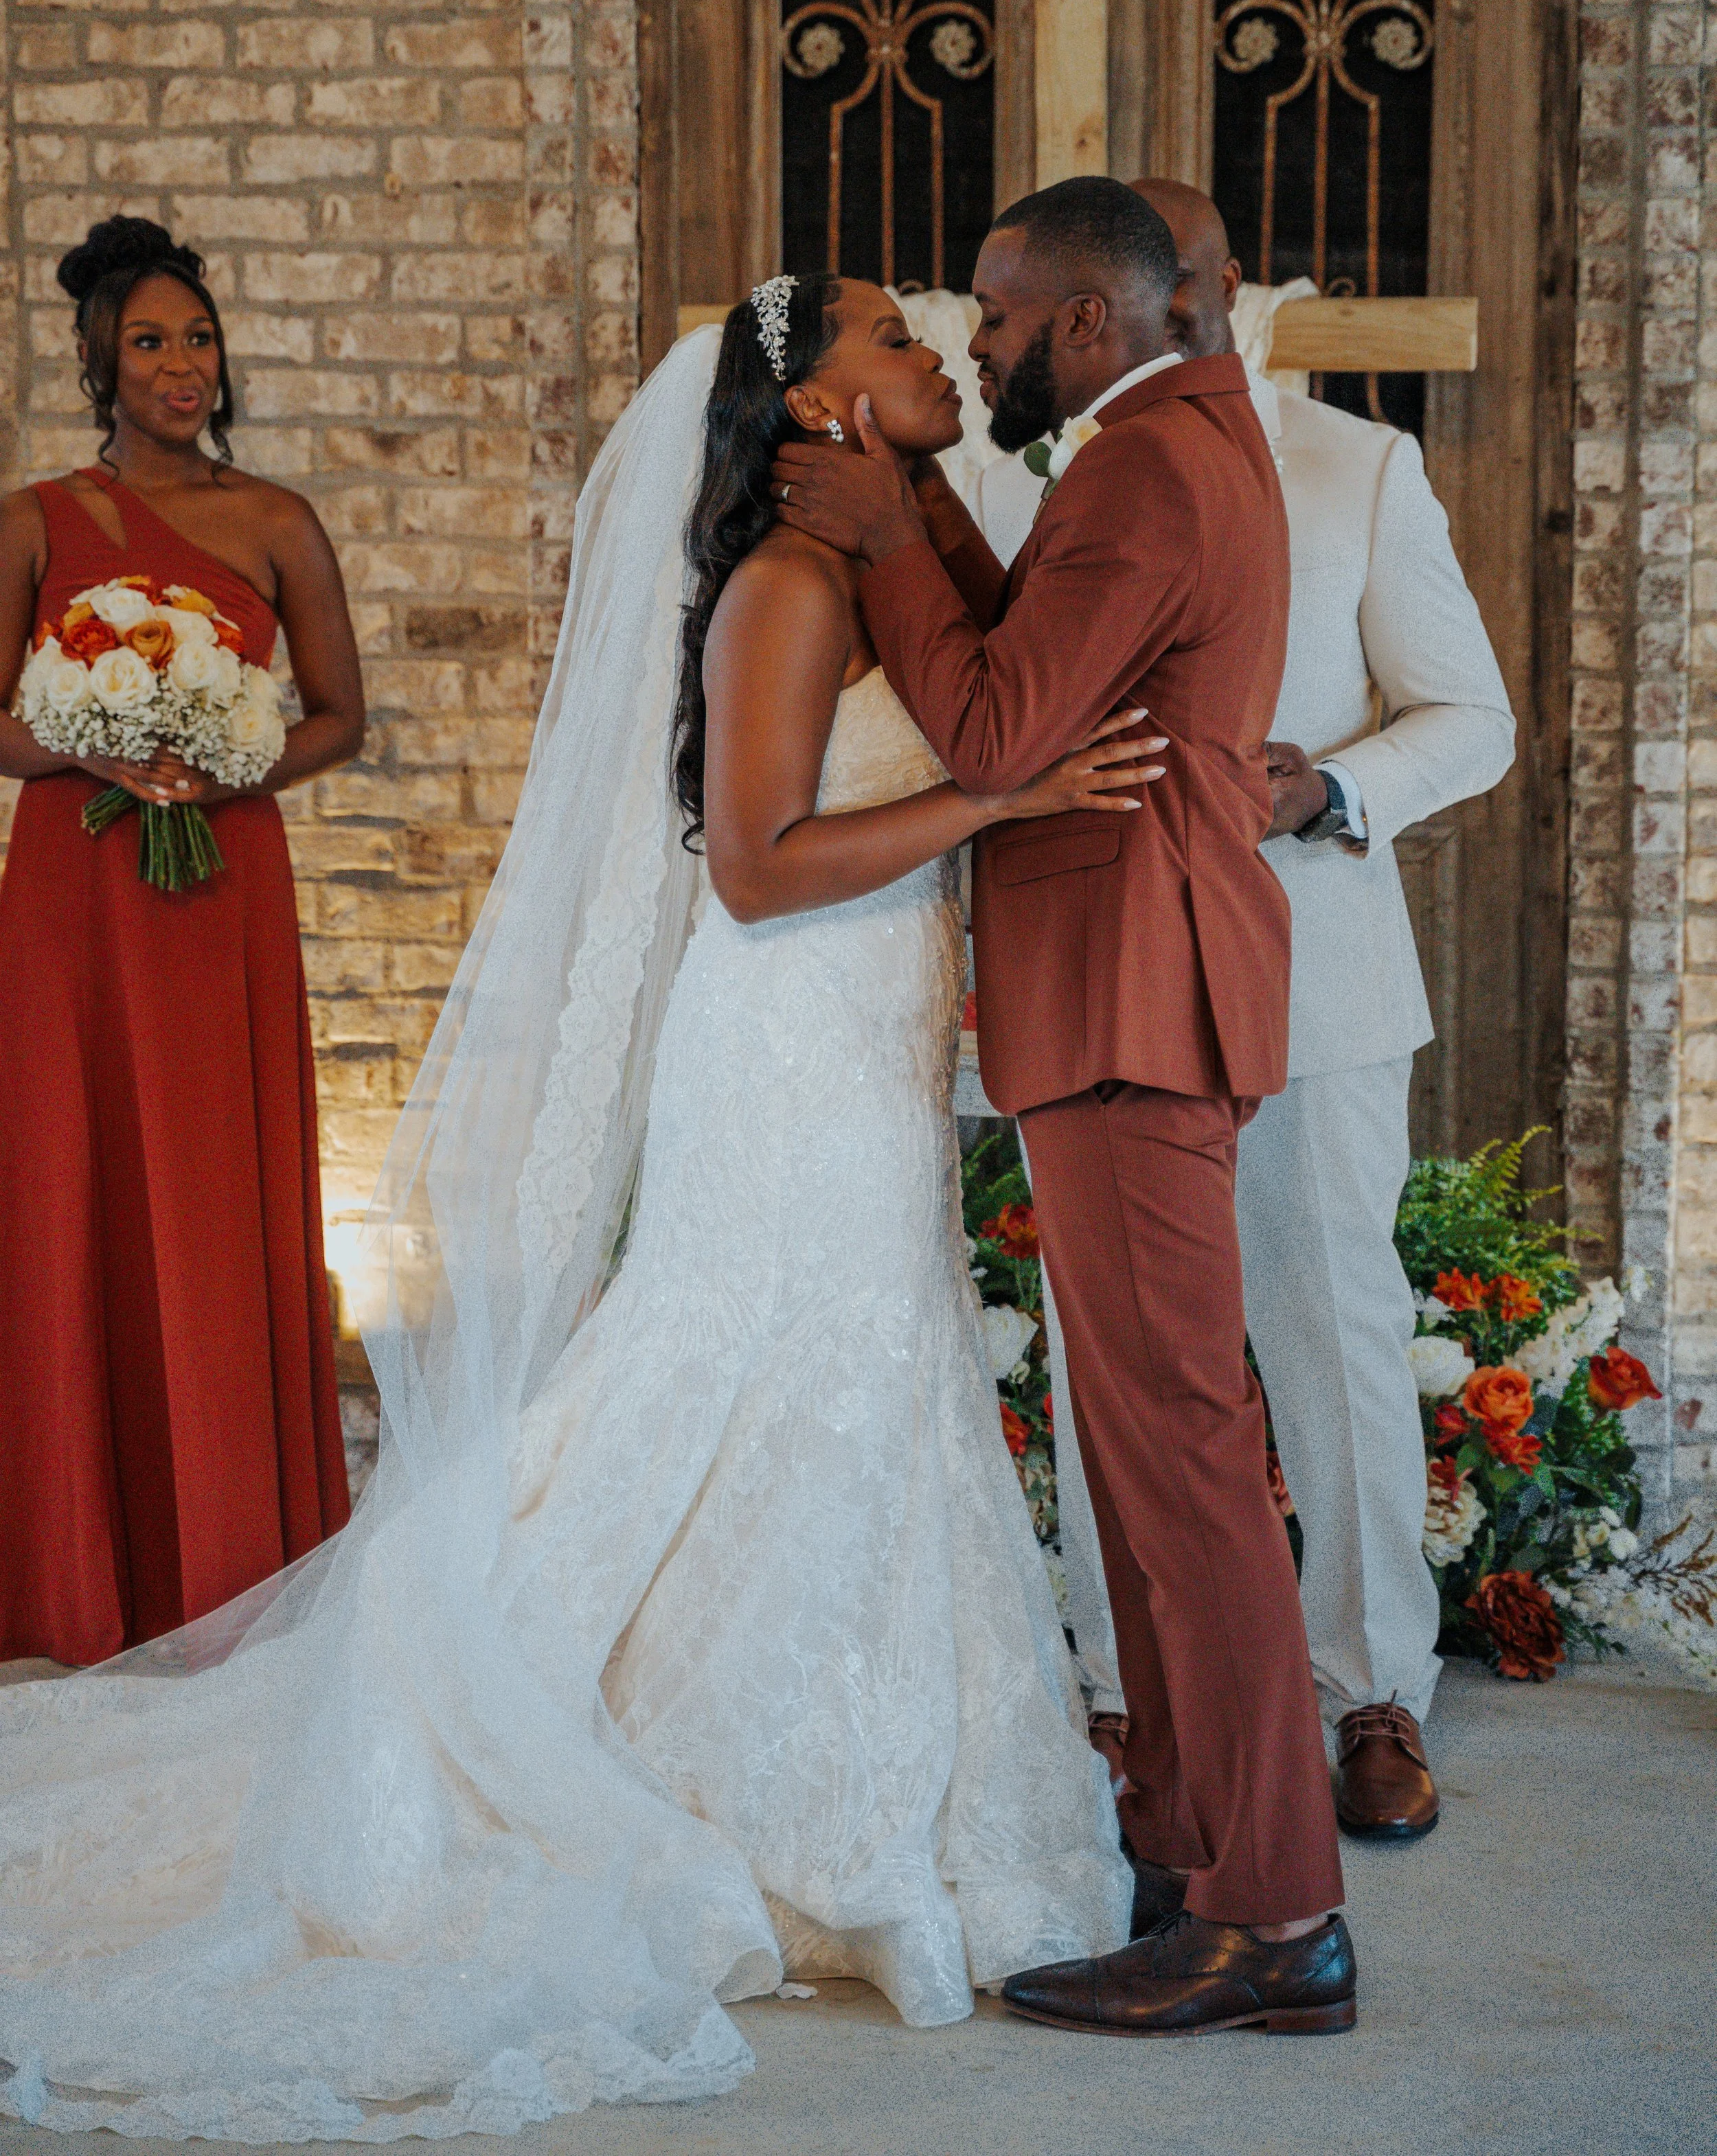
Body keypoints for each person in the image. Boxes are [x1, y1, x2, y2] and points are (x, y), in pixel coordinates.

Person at [0, 283, 1144, 2135]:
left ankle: (870, 1784)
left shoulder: (885, 561)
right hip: (779, 1046)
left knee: (866, 1387)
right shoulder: (780, 589)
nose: (932, 341)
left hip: (864, 1042)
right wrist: (993, 800)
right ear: (808, 405)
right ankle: (701, 1775)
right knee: (741, 1373)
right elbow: (762, 873)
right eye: (882, 332)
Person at [774, 176, 1356, 2041]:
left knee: (1182, 1457)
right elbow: (1040, 643)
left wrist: (871, 531)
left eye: (999, 322)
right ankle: (1190, 1835)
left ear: (1085, 323)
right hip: (1128, 985)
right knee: (1145, 1453)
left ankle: (1275, 1909)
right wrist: (926, 499)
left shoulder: (1142, 465)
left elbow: (1002, 724)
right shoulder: (1171, 440)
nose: (977, 347)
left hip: (1133, 991)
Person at [1095, 175, 1508, 1835]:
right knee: (1105, 1348)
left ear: (1231, 285)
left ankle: (1370, 1699)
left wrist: (1320, 793)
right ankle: (1137, 1701)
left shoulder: (1354, 465)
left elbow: (1464, 717)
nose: (1171, 318)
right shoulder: (1033, 463)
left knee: (1329, 1333)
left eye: (1191, 286)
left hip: (1313, 971)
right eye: (1143, 294)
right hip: (1115, 983)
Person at [0, 216, 363, 1668]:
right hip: (76, 898)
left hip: (219, 882)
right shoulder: (31, 517)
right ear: (97, 360)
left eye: (197, 339)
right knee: (71, 1183)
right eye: (148, 342)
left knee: (215, 1197)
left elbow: (337, 712)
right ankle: (75, 1573)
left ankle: (231, 1554)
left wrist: (226, 768)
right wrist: (94, 742)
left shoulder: (275, 520)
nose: (180, 365)